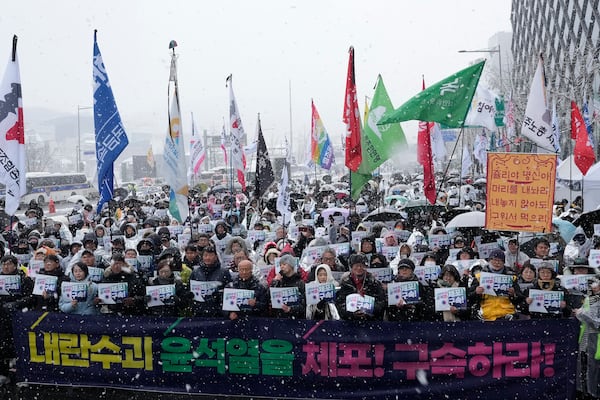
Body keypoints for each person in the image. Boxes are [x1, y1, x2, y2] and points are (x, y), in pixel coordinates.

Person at [0, 255, 34, 384]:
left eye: (8, 264)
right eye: (3, 264)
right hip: (2, 318)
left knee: (19, 346)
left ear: (15, 265)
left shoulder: (24, 279)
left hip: (17, 317)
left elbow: (30, 297)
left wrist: (16, 304)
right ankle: (3, 373)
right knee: (2, 347)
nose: (6, 267)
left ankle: (20, 375)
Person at [468, 249, 524, 321]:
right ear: (489, 261)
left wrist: (514, 294)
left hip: (507, 315)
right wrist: (476, 292)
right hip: (485, 315)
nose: (497, 263)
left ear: (504, 263)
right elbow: (469, 298)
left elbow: (520, 299)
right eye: (494, 260)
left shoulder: (511, 277)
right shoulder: (479, 277)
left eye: (500, 261)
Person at [336, 253, 386, 321]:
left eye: (361, 265)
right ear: (351, 267)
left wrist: (368, 311)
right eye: (356, 266)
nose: (359, 268)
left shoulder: (374, 283)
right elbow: (340, 305)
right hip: (350, 322)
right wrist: (352, 314)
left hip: (371, 321)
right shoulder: (345, 284)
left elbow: (381, 303)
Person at [188, 246, 232, 318]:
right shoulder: (195, 272)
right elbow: (189, 288)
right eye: (205, 255)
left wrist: (219, 294)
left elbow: (229, 290)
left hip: (217, 311)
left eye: (210, 255)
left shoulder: (224, 272)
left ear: (215, 257)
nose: (208, 258)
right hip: (199, 310)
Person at [575, 277, 600, 399]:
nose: (595, 287)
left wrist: (584, 315)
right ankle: (585, 393)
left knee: (594, 371)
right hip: (585, 340)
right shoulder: (588, 299)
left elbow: (597, 323)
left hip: (596, 340)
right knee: (584, 369)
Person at [269, 254, 306, 319]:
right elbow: (269, 298)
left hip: (295, 320)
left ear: (291, 266)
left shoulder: (300, 283)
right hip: (279, 318)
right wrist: (274, 282)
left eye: (284, 264)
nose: (282, 267)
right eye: (280, 265)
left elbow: (303, 305)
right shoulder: (279, 282)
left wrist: (290, 309)